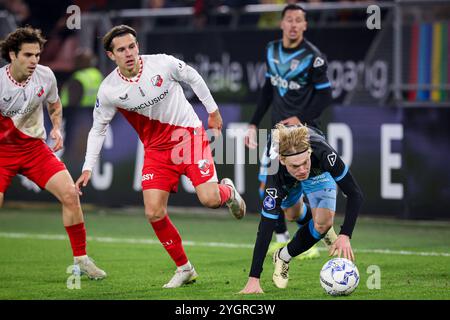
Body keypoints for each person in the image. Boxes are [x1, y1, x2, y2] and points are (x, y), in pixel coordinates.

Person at [75, 25, 246, 289]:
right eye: (121, 49)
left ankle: (228, 193)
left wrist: (212, 111)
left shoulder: (162, 63)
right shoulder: (109, 89)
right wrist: (88, 167)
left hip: (188, 138)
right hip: (156, 150)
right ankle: (184, 268)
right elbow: (98, 128)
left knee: (210, 199)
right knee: (154, 212)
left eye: (132, 46)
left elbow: (193, 76)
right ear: (111, 55)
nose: (129, 53)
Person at [0, 27, 106, 280]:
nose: (34, 60)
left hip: (34, 149)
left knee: (71, 194)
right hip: (2, 152)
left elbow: (54, 102)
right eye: (28, 55)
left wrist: (56, 128)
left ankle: (81, 260)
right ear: (12, 55)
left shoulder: (45, 75)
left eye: (37, 54)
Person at [245, 4, 335, 259]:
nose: (294, 25)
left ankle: (316, 232)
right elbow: (267, 90)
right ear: (282, 23)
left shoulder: (313, 57)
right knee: (268, 188)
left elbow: (326, 95)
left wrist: (301, 117)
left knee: (301, 192)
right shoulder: (271, 50)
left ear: (305, 25)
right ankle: (283, 238)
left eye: (299, 20)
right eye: (290, 20)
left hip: (305, 134)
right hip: (278, 134)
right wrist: (253, 123)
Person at [240, 124, 363, 294]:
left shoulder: (324, 155)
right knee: (292, 214)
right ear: (282, 160)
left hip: (317, 173)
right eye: (295, 166)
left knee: (323, 224)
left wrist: (345, 234)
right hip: (286, 178)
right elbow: (266, 226)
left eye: (305, 162)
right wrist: (254, 279)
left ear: (309, 153)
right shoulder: (275, 175)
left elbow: (355, 194)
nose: (302, 170)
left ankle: (283, 256)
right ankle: (321, 228)